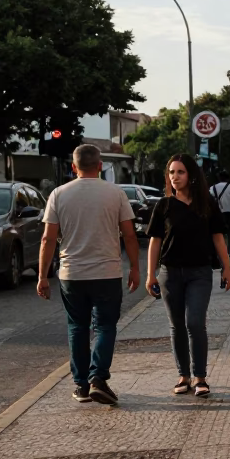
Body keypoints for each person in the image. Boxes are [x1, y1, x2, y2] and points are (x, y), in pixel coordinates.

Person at [36, 144, 139, 405]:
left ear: (73, 167)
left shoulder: (58, 195)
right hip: (107, 272)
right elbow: (129, 233)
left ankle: (82, 386)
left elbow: (48, 238)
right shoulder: (115, 193)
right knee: (105, 326)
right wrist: (136, 268)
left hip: (71, 274)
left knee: (77, 327)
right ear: (101, 165)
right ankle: (98, 377)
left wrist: (42, 276)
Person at [145, 155, 230, 399]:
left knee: (195, 322)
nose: (175, 177)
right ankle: (183, 375)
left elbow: (218, 237)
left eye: (180, 172)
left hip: (200, 273)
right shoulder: (163, 206)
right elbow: (155, 242)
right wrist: (150, 274)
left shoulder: (206, 204)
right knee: (177, 326)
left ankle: (200, 377)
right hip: (169, 273)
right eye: (171, 172)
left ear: (191, 175)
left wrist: (227, 267)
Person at [209, 170, 230, 270]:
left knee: (219, 241)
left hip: (217, 218)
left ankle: (222, 263)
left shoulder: (212, 188)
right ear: (228, 178)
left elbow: (208, 203)